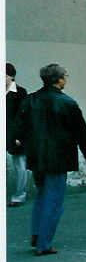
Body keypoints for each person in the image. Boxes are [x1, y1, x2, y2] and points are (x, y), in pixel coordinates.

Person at [13, 64, 86, 255]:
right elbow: (81, 132)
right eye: (65, 76)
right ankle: (44, 243)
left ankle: (36, 234)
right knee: (54, 201)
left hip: (37, 156)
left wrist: (20, 143)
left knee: (42, 196)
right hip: (58, 158)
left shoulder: (30, 100)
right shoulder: (68, 103)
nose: (66, 79)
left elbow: (18, 126)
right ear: (58, 79)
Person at [7, 63, 29, 207]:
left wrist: (20, 136)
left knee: (20, 166)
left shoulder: (20, 93)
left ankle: (19, 196)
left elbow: (24, 117)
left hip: (14, 135)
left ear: (12, 77)